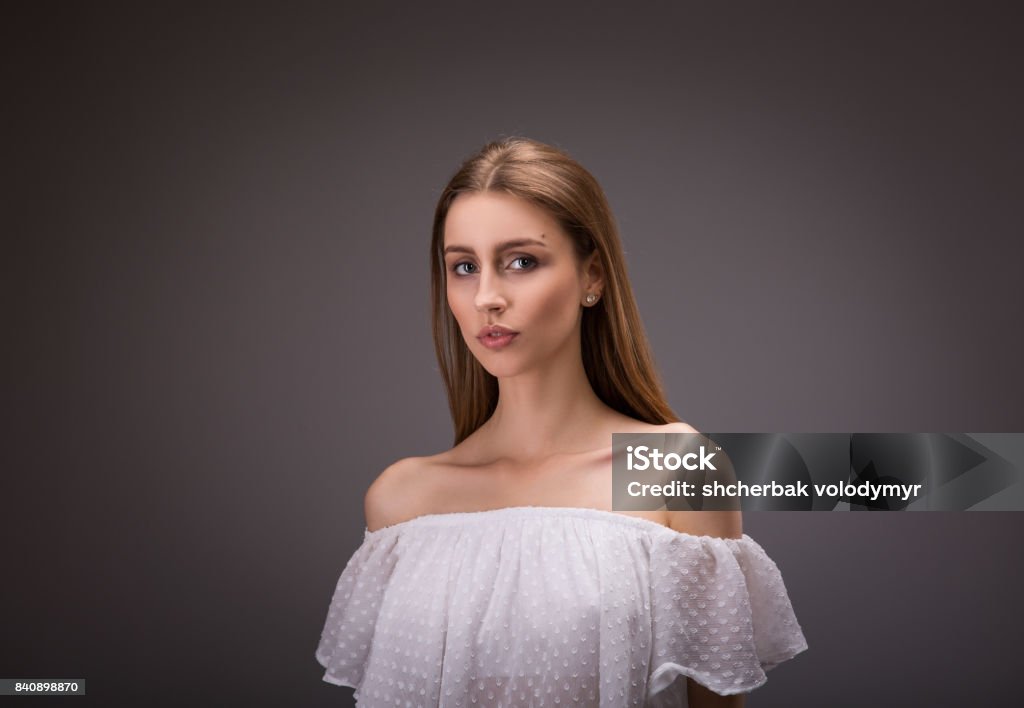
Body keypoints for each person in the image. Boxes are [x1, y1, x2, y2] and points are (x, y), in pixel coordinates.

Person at [315, 137, 808, 707]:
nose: (487, 298)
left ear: (592, 276)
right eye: (464, 267)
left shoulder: (676, 469)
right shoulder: (402, 499)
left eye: (521, 261)